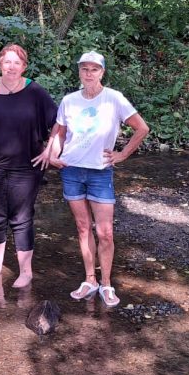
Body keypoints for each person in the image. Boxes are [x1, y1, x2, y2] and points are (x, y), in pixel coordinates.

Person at [46, 51, 149, 307]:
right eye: (84, 69)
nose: (88, 74)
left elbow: (142, 128)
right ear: (79, 72)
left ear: (102, 72)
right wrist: (53, 153)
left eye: (94, 69)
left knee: (105, 232)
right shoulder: (69, 100)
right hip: (71, 170)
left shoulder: (113, 99)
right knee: (83, 228)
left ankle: (106, 284)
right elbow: (59, 132)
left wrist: (122, 154)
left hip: (100, 172)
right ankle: (90, 279)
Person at [0, 44, 57, 288]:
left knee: (22, 218)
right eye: (7, 62)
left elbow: (59, 122)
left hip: (27, 168)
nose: (12, 67)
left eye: (17, 62)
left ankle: (25, 271)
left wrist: (50, 150)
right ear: (0, 64)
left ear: (24, 66)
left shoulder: (35, 92)